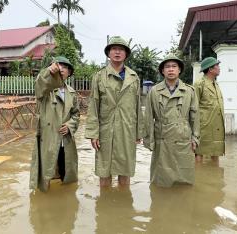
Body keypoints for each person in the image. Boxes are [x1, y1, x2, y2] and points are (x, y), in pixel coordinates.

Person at [85, 36, 143, 187]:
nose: (117, 52)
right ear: (108, 53)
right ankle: (105, 206)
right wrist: (93, 133)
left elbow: (137, 106)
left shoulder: (134, 77)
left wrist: (138, 133)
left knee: (125, 170)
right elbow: (93, 106)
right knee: (104, 170)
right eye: (114, 49)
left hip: (127, 130)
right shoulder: (99, 77)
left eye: (121, 49)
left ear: (126, 54)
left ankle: (124, 204)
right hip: (105, 130)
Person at [143, 54, 200, 187]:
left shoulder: (189, 91)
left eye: (174, 66)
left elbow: (195, 116)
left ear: (179, 69)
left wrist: (195, 138)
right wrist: (149, 141)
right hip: (161, 138)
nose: (171, 69)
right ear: (162, 71)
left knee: (184, 180)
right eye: (167, 67)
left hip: (183, 138)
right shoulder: (154, 91)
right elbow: (148, 118)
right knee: (161, 182)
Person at [29, 56, 80, 192]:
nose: (62, 69)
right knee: (47, 173)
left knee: (66, 173)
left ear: (69, 72)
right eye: (59, 66)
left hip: (66, 140)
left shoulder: (72, 93)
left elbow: (76, 114)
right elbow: (40, 82)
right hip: (48, 139)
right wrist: (47, 72)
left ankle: (65, 204)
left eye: (65, 67)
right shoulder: (45, 90)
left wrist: (70, 126)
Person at [193, 57, 225, 163]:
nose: (219, 68)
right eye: (217, 66)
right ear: (211, 69)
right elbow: (193, 106)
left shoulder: (216, 84)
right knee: (199, 151)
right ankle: (199, 176)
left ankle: (215, 177)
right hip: (204, 125)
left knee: (216, 150)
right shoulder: (199, 84)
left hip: (217, 125)